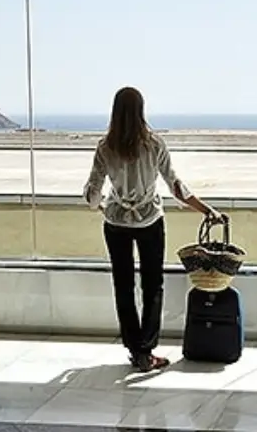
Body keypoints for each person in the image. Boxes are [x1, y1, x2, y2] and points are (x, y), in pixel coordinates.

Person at [83, 86, 223, 372]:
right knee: (152, 285)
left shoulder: (105, 147)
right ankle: (147, 349)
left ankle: (135, 349)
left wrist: (99, 205)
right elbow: (176, 186)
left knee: (123, 286)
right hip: (149, 221)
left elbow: (93, 191)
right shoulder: (154, 144)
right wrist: (206, 209)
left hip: (116, 223)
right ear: (141, 110)